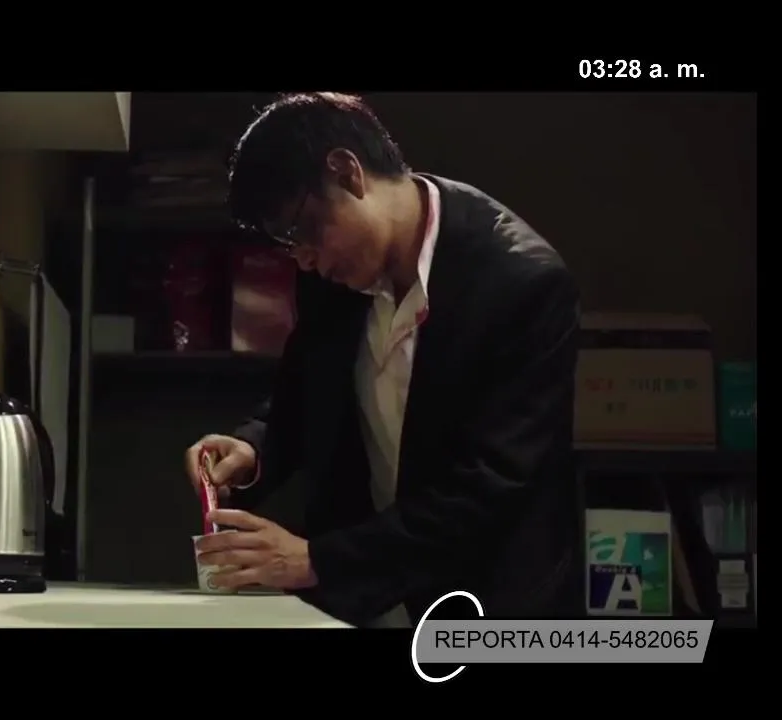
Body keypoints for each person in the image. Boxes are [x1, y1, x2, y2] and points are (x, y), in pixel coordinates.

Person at [186, 92, 582, 627]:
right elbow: (303, 396)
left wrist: (315, 560)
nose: (304, 260)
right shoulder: (331, 274)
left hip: (489, 608)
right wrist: (254, 448)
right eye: (287, 246)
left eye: (302, 232)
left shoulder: (522, 284)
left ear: (347, 173)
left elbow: (490, 486)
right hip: (364, 603)